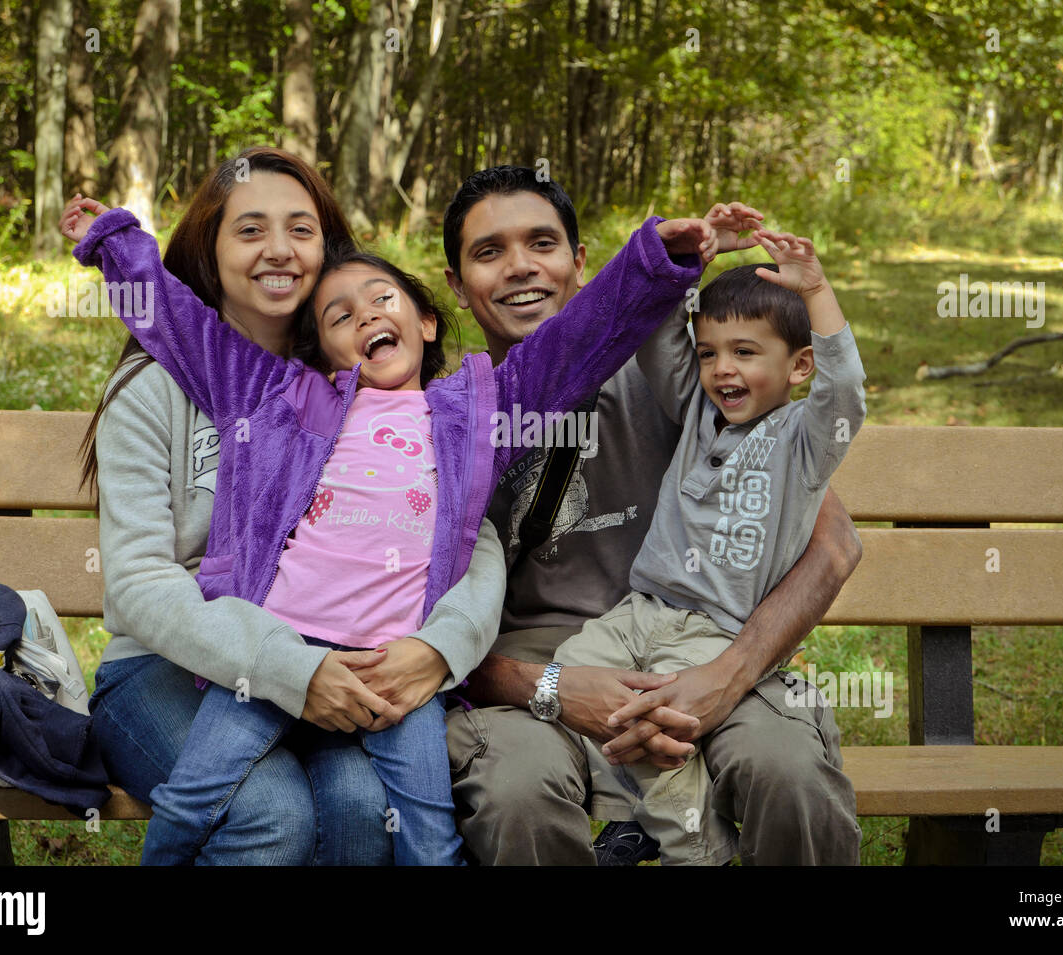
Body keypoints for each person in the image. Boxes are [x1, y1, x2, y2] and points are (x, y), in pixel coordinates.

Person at [64, 184, 741, 862]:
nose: (365, 317)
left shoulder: (475, 413)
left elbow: (573, 345)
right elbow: (186, 331)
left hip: (398, 666)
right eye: (338, 315)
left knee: (422, 829)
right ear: (320, 351)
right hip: (276, 648)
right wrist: (116, 244)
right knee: (203, 796)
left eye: (382, 300)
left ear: (427, 321)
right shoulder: (285, 402)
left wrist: (656, 260)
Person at [79, 146, 506, 865]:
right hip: (163, 667)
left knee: (362, 808)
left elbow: (462, 526)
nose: (278, 249)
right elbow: (139, 585)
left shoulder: (356, 380)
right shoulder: (153, 390)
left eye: (300, 229)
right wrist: (287, 668)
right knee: (270, 816)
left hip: (336, 661)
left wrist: (439, 646)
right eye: (250, 230)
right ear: (209, 252)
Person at [440, 166, 864, 865]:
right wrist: (550, 687)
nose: (520, 267)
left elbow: (836, 544)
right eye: (488, 252)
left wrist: (728, 675)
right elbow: (420, 629)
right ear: (456, 283)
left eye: (542, 243)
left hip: (707, 642)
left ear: (581, 264)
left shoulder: (685, 382)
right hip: (535, 671)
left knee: (785, 770)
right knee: (517, 791)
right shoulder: (444, 415)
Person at [555, 215, 867, 864]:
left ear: (800, 365)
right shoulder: (698, 409)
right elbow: (656, 338)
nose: (722, 369)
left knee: (656, 728)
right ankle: (633, 816)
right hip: (636, 613)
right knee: (566, 687)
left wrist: (815, 289)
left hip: (711, 632)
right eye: (710, 352)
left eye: (746, 353)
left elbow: (845, 392)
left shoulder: (805, 442)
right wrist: (692, 259)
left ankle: (696, 849)